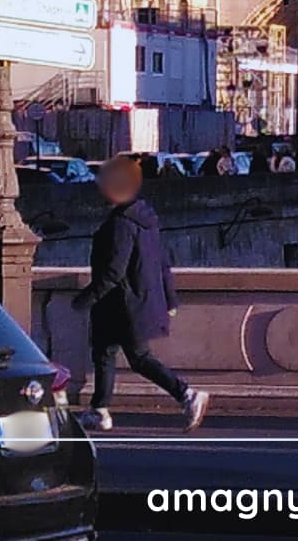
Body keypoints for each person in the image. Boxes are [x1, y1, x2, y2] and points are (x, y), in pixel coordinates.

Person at [72, 154, 208, 433]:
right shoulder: (145, 219)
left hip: (124, 303)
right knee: (104, 354)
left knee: (139, 358)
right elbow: (162, 261)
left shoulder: (121, 224)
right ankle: (99, 409)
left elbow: (113, 272)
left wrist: (84, 299)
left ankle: (187, 394)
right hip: (127, 301)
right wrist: (170, 299)